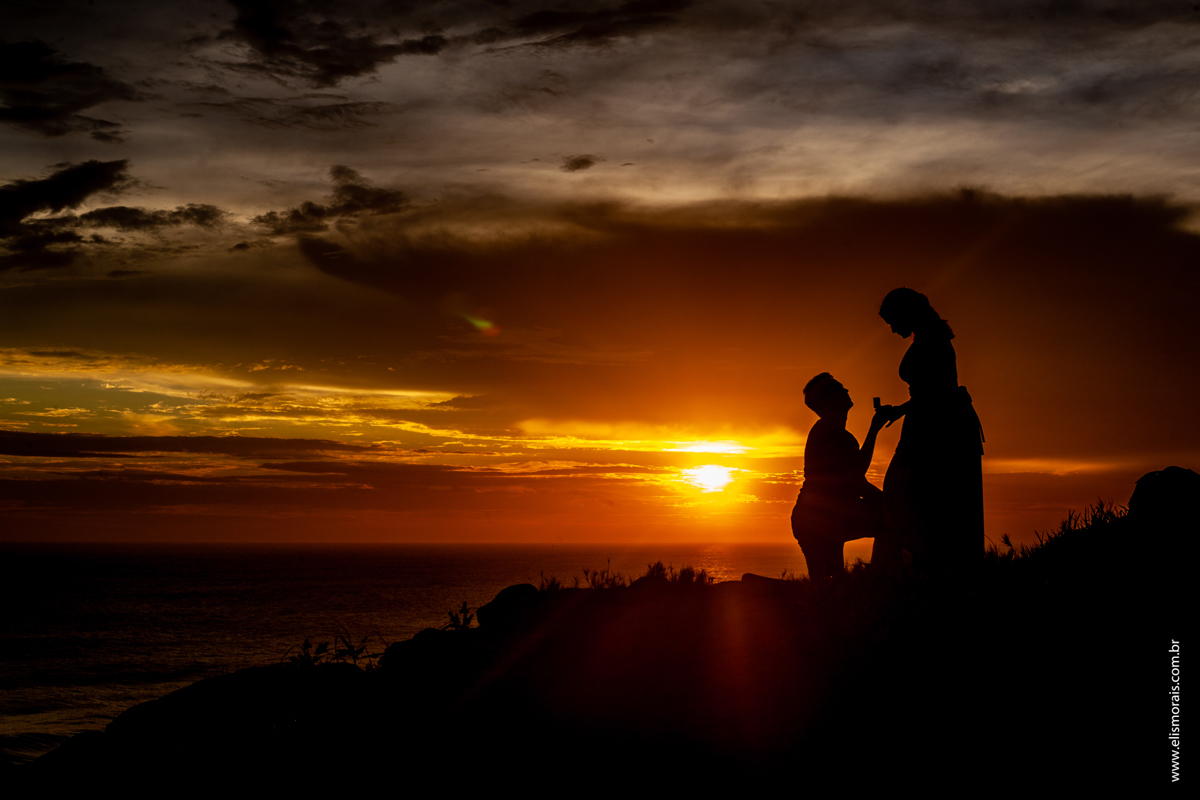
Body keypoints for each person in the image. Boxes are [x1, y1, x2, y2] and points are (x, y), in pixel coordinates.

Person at [877, 288, 984, 579]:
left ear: (907, 313)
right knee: (916, 499)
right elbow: (933, 391)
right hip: (928, 422)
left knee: (919, 499)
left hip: (936, 428)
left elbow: (939, 394)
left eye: (892, 320)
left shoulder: (933, 342)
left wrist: (909, 412)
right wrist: (902, 410)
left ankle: (925, 572)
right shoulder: (929, 339)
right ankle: (923, 570)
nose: (892, 328)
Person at [791, 373, 893, 579]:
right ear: (830, 399)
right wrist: (892, 504)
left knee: (829, 584)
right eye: (840, 388)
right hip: (824, 518)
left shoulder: (831, 432)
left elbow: (856, 479)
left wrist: (887, 502)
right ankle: (889, 581)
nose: (846, 390)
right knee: (893, 522)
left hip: (813, 518)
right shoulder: (832, 434)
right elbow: (856, 479)